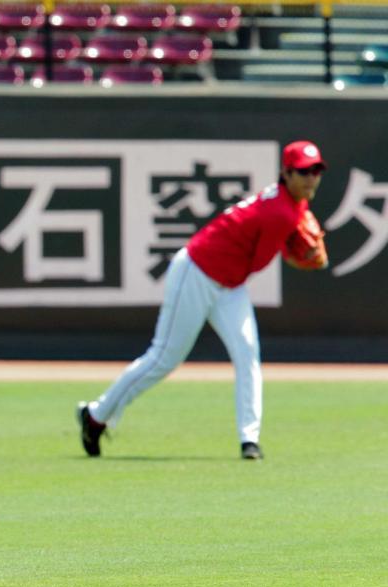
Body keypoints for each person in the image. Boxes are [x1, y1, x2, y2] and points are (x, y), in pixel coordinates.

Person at [77, 140, 329, 461]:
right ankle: (96, 416)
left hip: (230, 284)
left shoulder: (293, 204)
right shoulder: (280, 212)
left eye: (317, 171)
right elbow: (262, 262)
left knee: (247, 354)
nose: (312, 178)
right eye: (304, 172)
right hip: (197, 271)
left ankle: (249, 440)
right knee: (163, 358)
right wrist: (301, 256)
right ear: (286, 173)